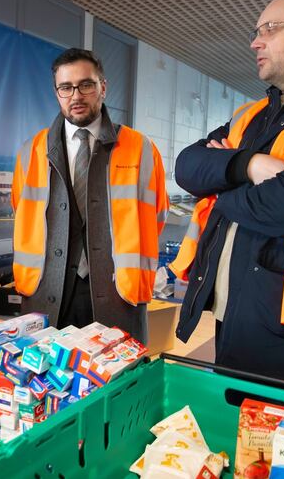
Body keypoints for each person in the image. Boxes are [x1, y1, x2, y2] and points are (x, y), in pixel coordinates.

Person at [170, 0, 284, 386]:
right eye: (257, 32)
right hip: (234, 312)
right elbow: (186, 166)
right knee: (232, 435)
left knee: (278, 446)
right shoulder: (249, 115)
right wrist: (248, 164)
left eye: (269, 29)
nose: (256, 42)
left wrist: (218, 185)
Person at [11, 48, 169, 343]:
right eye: (66, 87)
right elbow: (21, 207)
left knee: (118, 383)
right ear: (57, 93)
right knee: (47, 382)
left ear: (103, 88)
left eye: (86, 85)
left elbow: (157, 214)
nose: (76, 96)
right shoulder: (31, 151)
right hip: (46, 292)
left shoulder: (141, 149)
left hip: (118, 293)